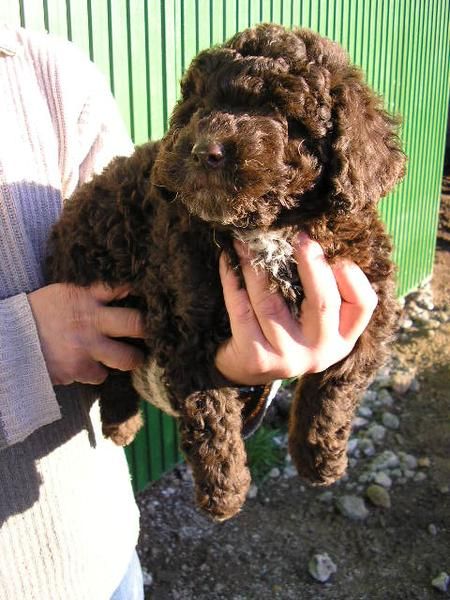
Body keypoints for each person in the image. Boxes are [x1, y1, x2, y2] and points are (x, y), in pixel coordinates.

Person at [0, 25, 377, 600]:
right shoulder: (190, 230)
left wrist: (260, 378)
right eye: (201, 108)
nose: (210, 136)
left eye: (277, 115)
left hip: (99, 549)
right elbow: (176, 334)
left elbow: (144, 328)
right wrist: (20, 348)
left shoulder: (46, 70)